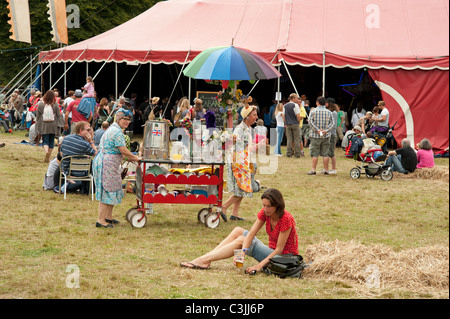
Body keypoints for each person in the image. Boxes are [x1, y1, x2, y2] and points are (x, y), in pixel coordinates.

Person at [180, 188, 299, 274]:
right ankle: (206, 259)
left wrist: (258, 266)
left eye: (268, 206)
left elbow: (279, 250)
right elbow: (252, 233)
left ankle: (204, 260)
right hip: (271, 253)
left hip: (283, 259)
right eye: (264, 205)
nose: (265, 209)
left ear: (277, 205)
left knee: (242, 240)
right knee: (238, 231)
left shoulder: (286, 218)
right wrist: (243, 252)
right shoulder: (265, 213)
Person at [93, 108, 140, 228]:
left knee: (113, 188)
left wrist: (130, 158)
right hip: (107, 163)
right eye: (125, 119)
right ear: (118, 118)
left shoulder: (115, 129)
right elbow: (123, 150)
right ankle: (101, 220)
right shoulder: (117, 131)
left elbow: (121, 152)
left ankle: (108, 217)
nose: (127, 121)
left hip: (109, 162)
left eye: (129, 119)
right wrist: (136, 158)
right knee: (107, 190)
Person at [221, 100, 260, 221]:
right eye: (254, 115)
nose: (256, 117)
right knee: (241, 189)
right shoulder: (240, 129)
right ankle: (223, 207)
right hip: (237, 162)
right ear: (246, 117)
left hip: (243, 161)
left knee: (243, 188)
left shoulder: (247, 128)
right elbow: (235, 146)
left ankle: (235, 214)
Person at [59, 121, 97, 195]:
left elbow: (61, 153)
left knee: (88, 163)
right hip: (82, 172)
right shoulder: (85, 144)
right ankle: (89, 191)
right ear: (80, 130)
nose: (89, 132)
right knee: (92, 163)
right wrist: (90, 141)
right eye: (88, 130)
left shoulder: (66, 138)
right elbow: (96, 154)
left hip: (66, 170)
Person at [307, 96, 334, 175]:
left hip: (315, 135)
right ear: (325, 103)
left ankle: (313, 170)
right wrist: (325, 130)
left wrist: (317, 130)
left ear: (317, 102)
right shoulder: (329, 112)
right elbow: (332, 123)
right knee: (325, 154)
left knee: (315, 153)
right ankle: (326, 170)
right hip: (326, 136)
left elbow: (310, 122)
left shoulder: (313, 111)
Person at [35, 90, 64, 163]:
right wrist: (61, 124)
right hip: (53, 125)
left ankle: (46, 152)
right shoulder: (55, 105)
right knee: (51, 140)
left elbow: (38, 116)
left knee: (45, 140)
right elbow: (58, 115)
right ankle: (49, 154)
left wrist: (37, 125)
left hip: (44, 124)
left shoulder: (41, 104)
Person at [283, 93, 302, 158]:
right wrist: (298, 121)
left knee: (289, 139)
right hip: (295, 124)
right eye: (296, 98)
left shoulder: (285, 105)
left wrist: (286, 122)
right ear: (293, 98)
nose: (297, 99)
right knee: (296, 139)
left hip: (288, 124)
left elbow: (284, 116)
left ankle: (289, 153)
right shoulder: (295, 105)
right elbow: (298, 115)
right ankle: (297, 154)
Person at [325, 98, 338, 174]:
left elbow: (333, 125)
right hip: (327, 133)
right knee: (326, 152)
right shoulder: (329, 112)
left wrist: (326, 130)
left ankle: (333, 169)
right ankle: (325, 168)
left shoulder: (334, 113)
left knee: (332, 152)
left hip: (332, 134)